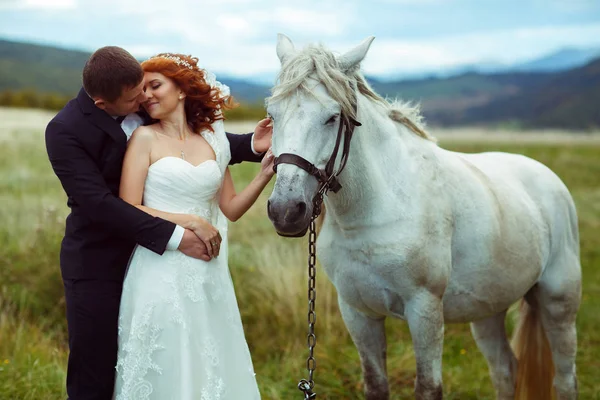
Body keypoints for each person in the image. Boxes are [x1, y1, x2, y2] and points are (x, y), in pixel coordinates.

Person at [44, 46, 272, 400]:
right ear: (103, 103)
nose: (144, 100)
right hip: (97, 262)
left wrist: (251, 147)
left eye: (148, 89)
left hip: (159, 262)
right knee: (96, 366)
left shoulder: (143, 109)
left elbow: (194, 141)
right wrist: (179, 234)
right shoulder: (64, 130)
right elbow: (100, 205)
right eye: (137, 96)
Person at [112, 52, 273, 399]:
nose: (148, 95)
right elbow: (129, 206)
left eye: (156, 85)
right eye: (143, 90)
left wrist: (262, 176)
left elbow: (230, 209)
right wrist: (191, 221)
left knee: (209, 357)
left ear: (182, 90)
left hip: (208, 273)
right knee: (167, 357)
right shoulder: (144, 139)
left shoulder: (212, 142)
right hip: (159, 267)